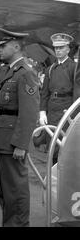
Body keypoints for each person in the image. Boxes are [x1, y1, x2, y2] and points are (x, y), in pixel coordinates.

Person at [0, 28, 39, 227]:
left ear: (16, 46)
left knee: (15, 190)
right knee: (6, 192)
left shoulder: (25, 73)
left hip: (13, 142)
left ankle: (19, 225)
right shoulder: (6, 71)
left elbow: (29, 113)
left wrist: (21, 145)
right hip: (2, 138)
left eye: (3, 46)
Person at [39, 33, 76, 164]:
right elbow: (44, 93)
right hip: (51, 110)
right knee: (52, 146)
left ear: (68, 49)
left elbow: (77, 92)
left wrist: (73, 113)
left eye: (61, 47)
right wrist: (42, 111)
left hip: (66, 110)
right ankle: (53, 177)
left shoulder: (74, 68)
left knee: (64, 146)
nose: (58, 50)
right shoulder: (50, 69)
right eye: (56, 48)